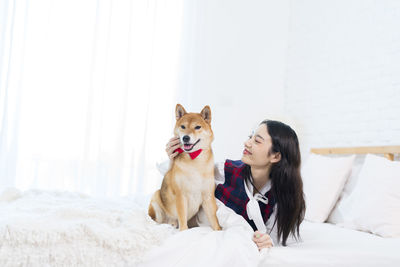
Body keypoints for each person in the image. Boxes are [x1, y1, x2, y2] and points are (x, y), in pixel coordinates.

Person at [165, 119, 306, 249]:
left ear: (275, 156)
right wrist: (174, 160)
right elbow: (183, 184)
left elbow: (274, 237)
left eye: (257, 141)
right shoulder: (224, 170)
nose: (247, 143)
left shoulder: (286, 199)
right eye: (250, 137)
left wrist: (266, 241)